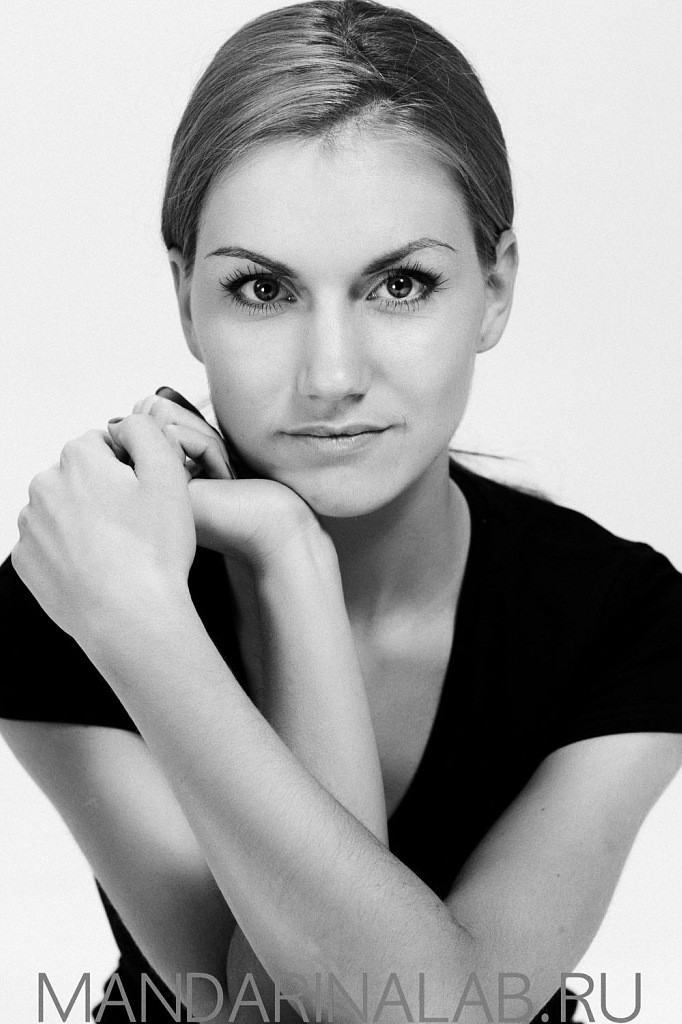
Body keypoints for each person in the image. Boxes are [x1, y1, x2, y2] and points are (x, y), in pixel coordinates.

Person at [1, 1, 682, 1021]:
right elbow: (263, 1014)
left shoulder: (622, 618)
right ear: (186, 299)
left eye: (400, 284)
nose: (330, 376)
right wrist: (153, 617)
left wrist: (289, 561)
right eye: (262, 290)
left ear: (495, 289)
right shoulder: (80, 583)